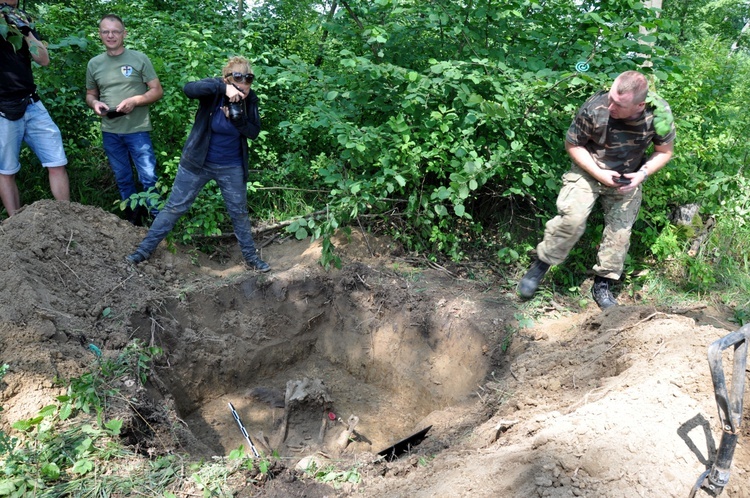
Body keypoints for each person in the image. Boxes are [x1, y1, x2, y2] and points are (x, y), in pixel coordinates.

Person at [517, 70, 675, 309]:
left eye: (619, 104)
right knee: (572, 218)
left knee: (620, 233)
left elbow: (665, 152)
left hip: (627, 176)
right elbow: (573, 145)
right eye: (610, 98)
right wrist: (600, 174)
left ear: (640, 104)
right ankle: (541, 265)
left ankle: (603, 283)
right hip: (589, 169)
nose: (610, 106)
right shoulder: (595, 106)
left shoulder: (659, 114)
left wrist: (641, 174)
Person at [126, 56, 270, 272]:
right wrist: (222, 89)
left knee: (238, 212)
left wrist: (236, 118)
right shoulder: (214, 91)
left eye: (248, 80)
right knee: (175, 207)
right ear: (228, 79)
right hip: (197, 162)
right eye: (239, 80)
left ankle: (251, 258)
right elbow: (189, 89)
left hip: (231, 165)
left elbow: (254, 132)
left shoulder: (251, 99)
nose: (244, 85)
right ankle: (143, 251)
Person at [85, 13, 163, 225]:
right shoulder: (94, 64)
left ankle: (158, 222)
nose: (110, 35)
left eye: (115, 31)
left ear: (124, 34)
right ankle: (133, 223)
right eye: (105, 31)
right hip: (110, 131)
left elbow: (157, 91)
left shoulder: (139, 58)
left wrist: (135, 101)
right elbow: (90, 94)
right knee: (123, 178)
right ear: (100, 34)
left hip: (137, 129)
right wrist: (95, 104)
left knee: (148, 178)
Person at [0, 0, 69, 218]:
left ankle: (68, 218)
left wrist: (26, 31)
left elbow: (43, 59)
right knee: (6, 170)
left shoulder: (22, 20)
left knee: (57, 161)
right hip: (2, 109)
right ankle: (15, 226)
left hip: (32, 104)